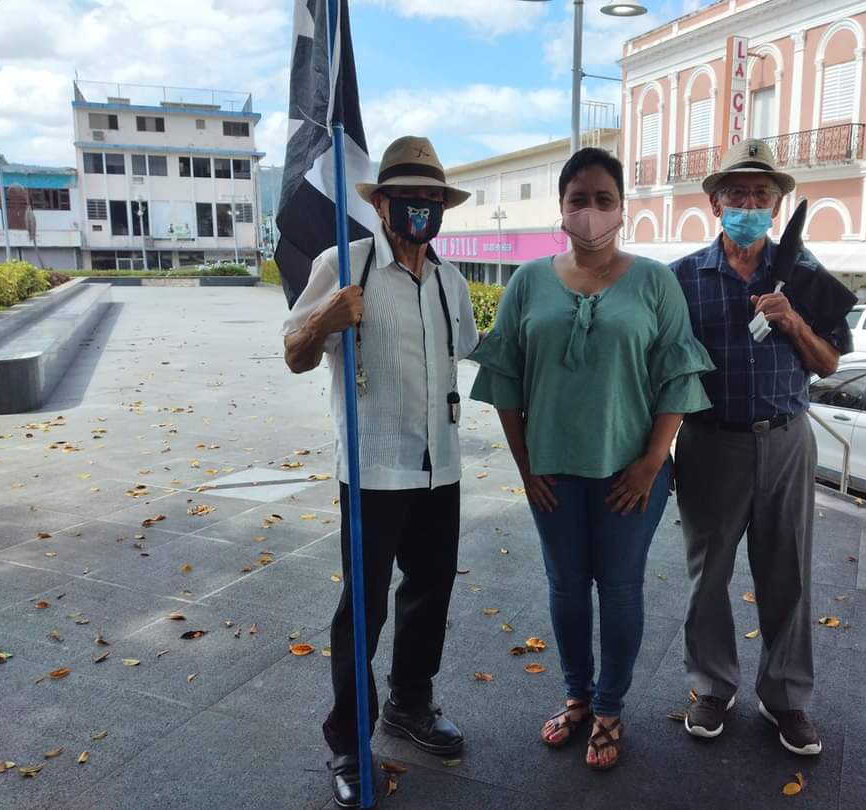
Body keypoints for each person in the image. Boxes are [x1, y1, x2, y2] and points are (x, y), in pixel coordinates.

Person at [470, 147, 714, 771]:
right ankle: (577, 695)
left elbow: (677, 379)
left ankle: (609, 708)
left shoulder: (653, 282)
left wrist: (651, 463)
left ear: (623, 209)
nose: (590, 211)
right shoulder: (527, 281)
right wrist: (526, 468)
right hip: (552, 473)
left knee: (622, 587)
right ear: (561, 207)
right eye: (578, 198)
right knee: (566, 587)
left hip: (631, 475)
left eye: (604, 199)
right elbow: (506, 380)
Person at [282, 136, 478, 808]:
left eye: (432, 201)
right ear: (384, 204)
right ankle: (346, 741)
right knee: (359, 612)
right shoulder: (345, 264)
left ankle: (410, 704)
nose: (421, 211)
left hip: (438, 468)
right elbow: (294, 354)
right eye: (409, 200)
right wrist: (323, 321)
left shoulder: (452, 281)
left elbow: (472, 353)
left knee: (429, 591)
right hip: (372, 470)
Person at [668, 139, 853, 757]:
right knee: (707, 577)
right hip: (708, 443)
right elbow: (662, 370)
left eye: (762, 194)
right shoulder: (680, 280)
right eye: (737, 193)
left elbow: (827, 365)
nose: (749, 203)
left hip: (786, 442)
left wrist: (794, 321)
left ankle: (787, 699)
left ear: (777, 204)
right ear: (714, 202)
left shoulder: (805, 274)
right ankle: (712, 686)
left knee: (788, 575)